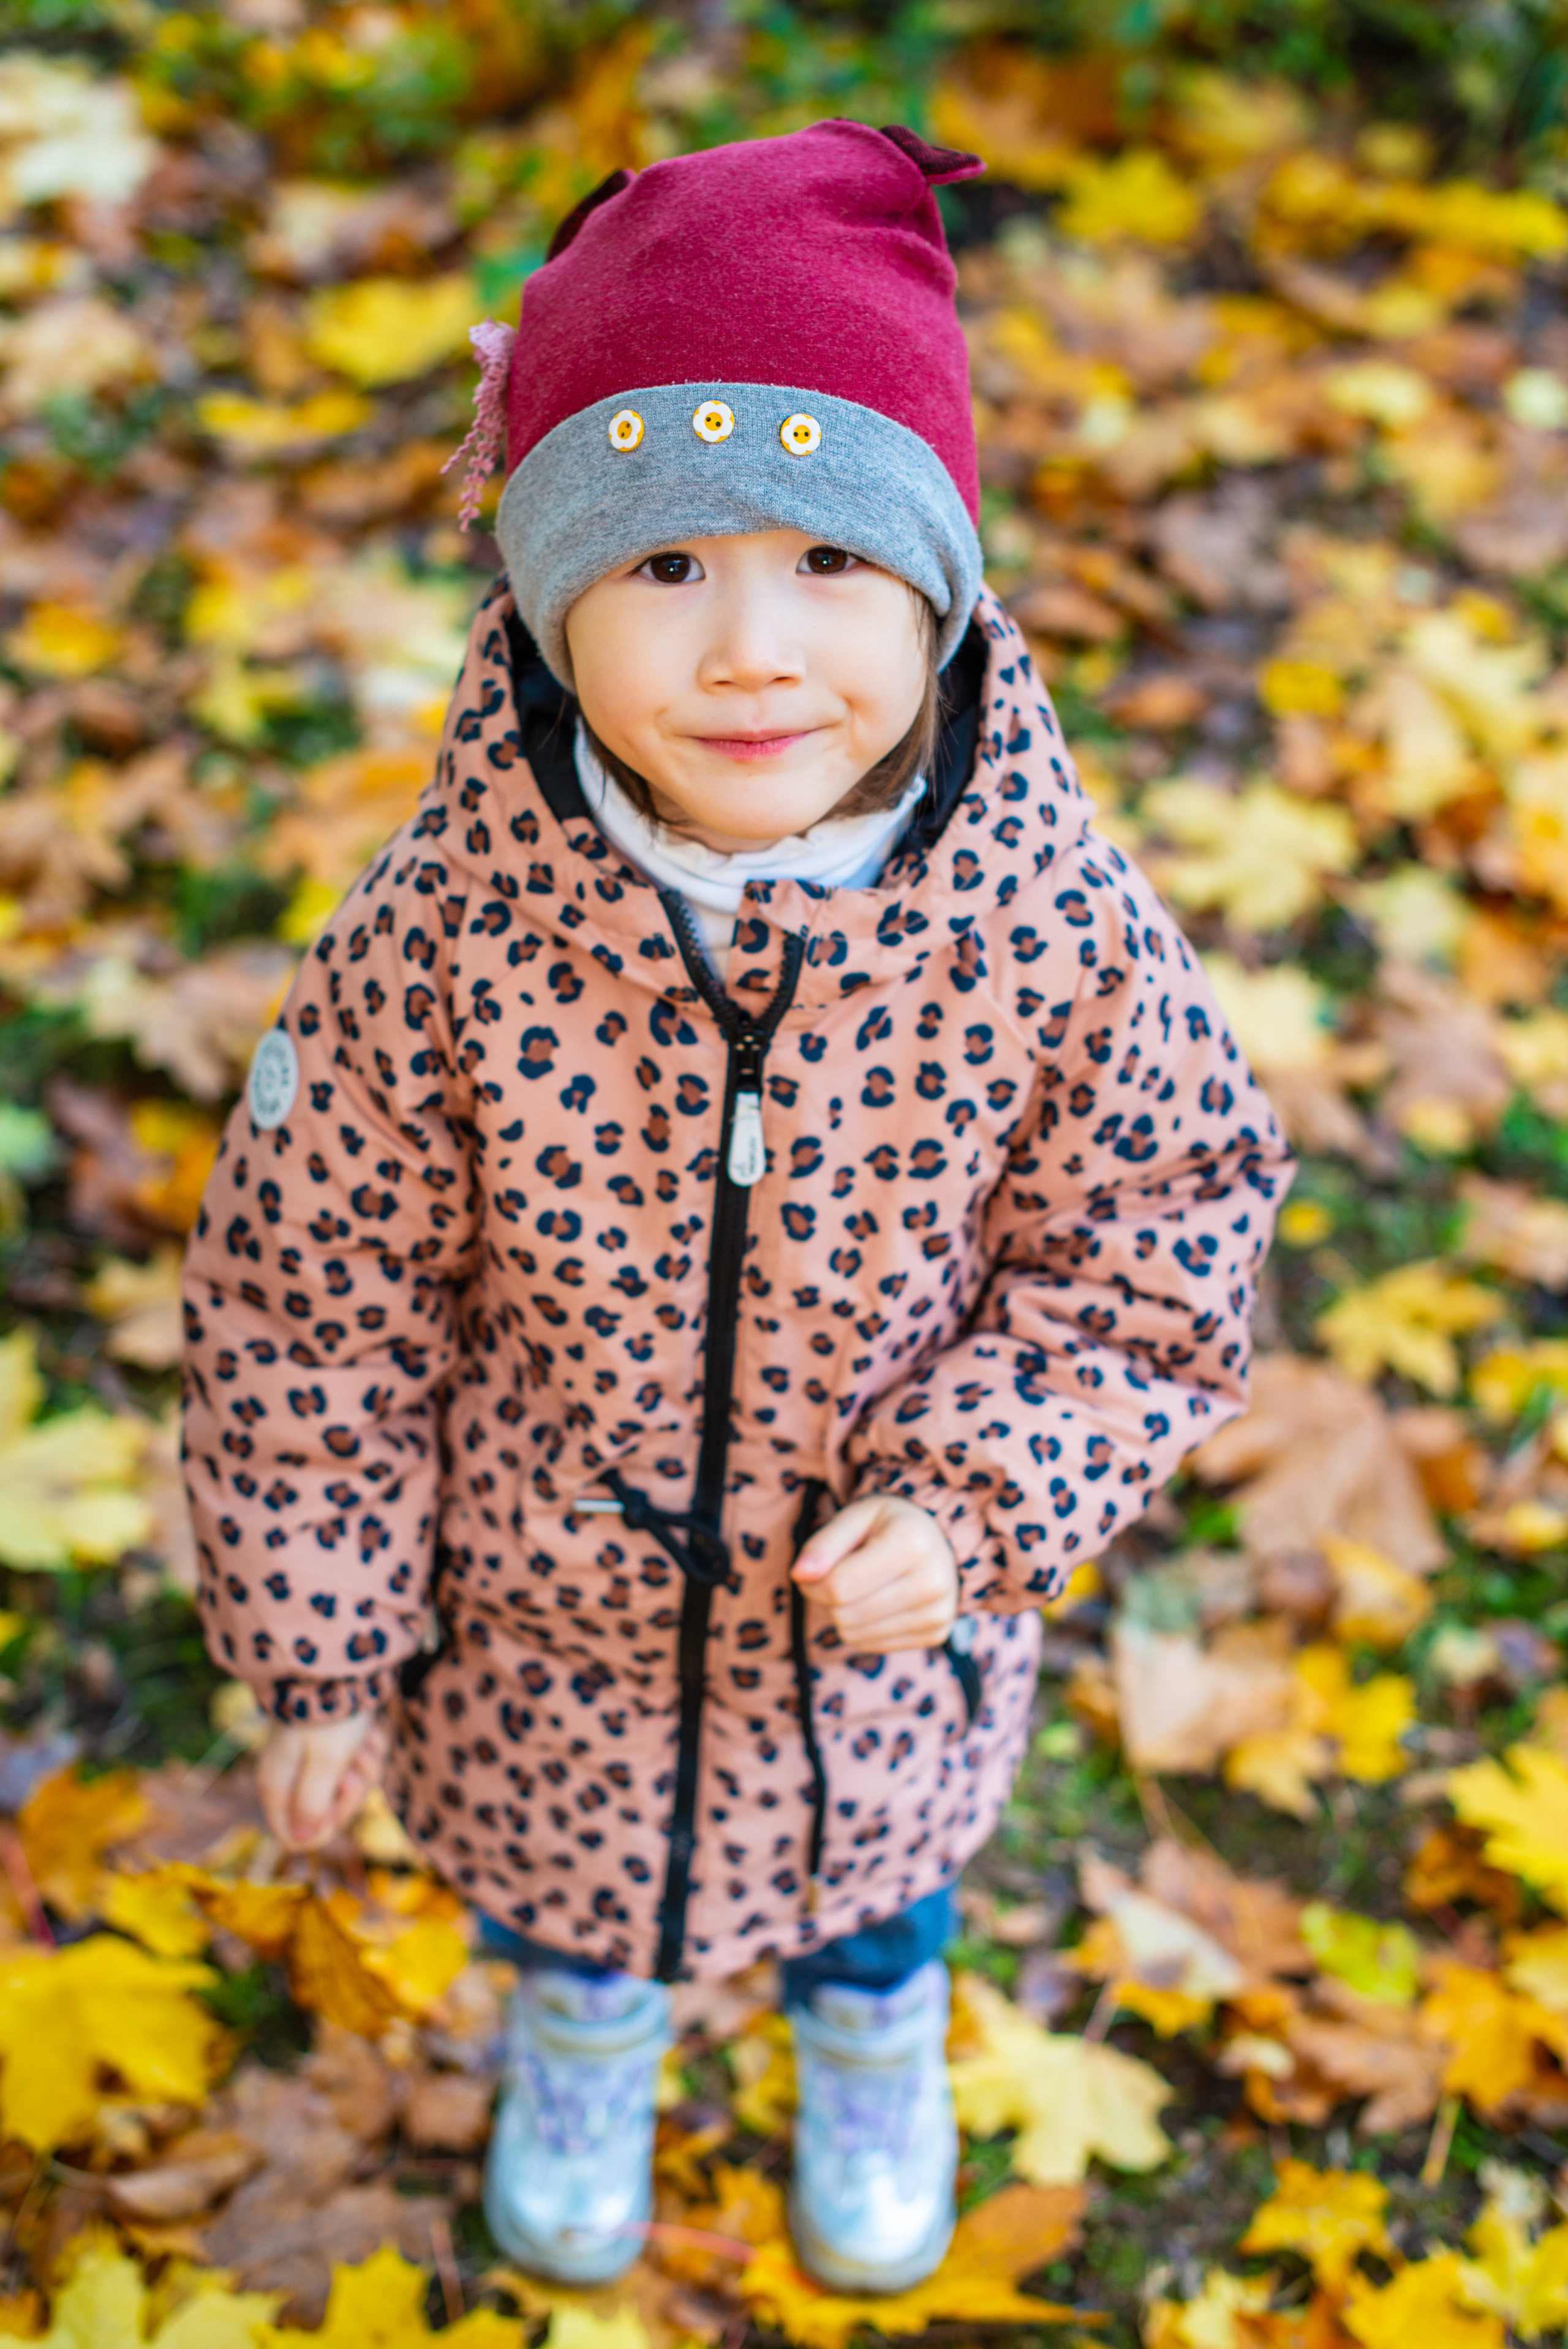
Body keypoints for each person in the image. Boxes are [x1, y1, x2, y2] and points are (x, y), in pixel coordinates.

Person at [182, 118, 1291, 2296]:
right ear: (548, 592)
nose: (755, 650)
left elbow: (1160, 1237)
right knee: (566, 1904)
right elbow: (312, 1303)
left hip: (876, 1635)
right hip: (542, 1628)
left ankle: (871, 2043)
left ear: (938, 582)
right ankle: (586, 2038)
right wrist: (322, 1648)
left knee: (880, 1902)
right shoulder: (445, 934)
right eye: (668, 566)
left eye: (832, 558)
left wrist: (978, 1495)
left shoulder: (1042, 922)